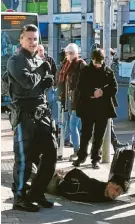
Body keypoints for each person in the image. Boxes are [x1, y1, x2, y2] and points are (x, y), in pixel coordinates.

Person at [7, 24, 57, 212]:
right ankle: (19, 197)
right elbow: (27, 83)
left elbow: (48, 80)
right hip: (24, 116)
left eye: (35, 39)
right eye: (29, 38)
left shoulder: (38, 59)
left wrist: (46, 71)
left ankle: (37, 192)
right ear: (21, 39)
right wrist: (43, 69)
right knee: (24, 159)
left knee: (50, 154)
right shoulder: (16, 60)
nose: (33, 42)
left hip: (42, 113)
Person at [73, 48, 118, 169]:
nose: (98, 64)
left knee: (99, 136)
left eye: (100, 61)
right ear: (92, 59)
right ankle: (81, 157)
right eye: (95, 61)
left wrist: (102, 92)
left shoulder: (108, 72)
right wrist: (93, 93)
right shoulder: (86, 71)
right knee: (86, 134)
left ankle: (95, 159)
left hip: (103, 109)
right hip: (87, 107)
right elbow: (80, 87)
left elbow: (114, 88)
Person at [60, 43, 87, 161]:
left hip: (79, 101)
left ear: (77, 53)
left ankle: (78, 151)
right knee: (78, 126)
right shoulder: (67, 65)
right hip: (71, 100)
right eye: (68, 53)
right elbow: (64, 83)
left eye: (72, 53)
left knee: (73, 125)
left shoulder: (81, 64)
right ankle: (81, 150)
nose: (69, 55)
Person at [47, 168, 127, 202]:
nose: (116, 194)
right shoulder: (92, 185)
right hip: (55, 185)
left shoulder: (107, 197)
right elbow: (76, 172)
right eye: (117, 190)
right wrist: (63, 179)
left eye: (119, 194)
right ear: (111, 184)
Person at [109, 48, 127, 152]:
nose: (111, 57)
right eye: (110, 55)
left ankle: (115, 144)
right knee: (106, 123)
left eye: (112, 55)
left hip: (108, 100)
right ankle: (115, 144)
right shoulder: (108, 67)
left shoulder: (113, 66)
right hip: (103, 101)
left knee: (108, 123)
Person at [37, 45, 58, 124]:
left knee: (51, 102)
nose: (40, 52)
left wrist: (54, 83)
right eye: (38, 51)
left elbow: (55, 71)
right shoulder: (35, 60)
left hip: (49, 85)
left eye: (41, 50)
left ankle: (52, 119)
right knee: (41, 103)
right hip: (39, 86)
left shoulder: (49, 59)